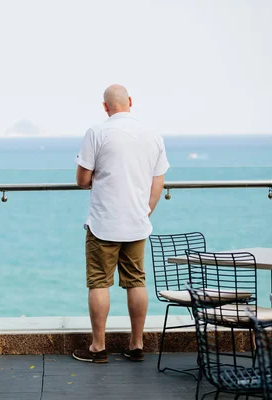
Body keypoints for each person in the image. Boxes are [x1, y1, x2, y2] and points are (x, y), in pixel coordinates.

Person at [72, 84, 169, 363]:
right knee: (136, 281)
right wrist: (145, 210)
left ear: (105, 107)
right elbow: (158, 179)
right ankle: (136, 345)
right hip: (137, 221)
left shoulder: (97, 132)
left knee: (99, 283)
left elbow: (82, 180)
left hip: (104, 221)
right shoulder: (152, 134)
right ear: (130, 102)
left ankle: (98, 348)